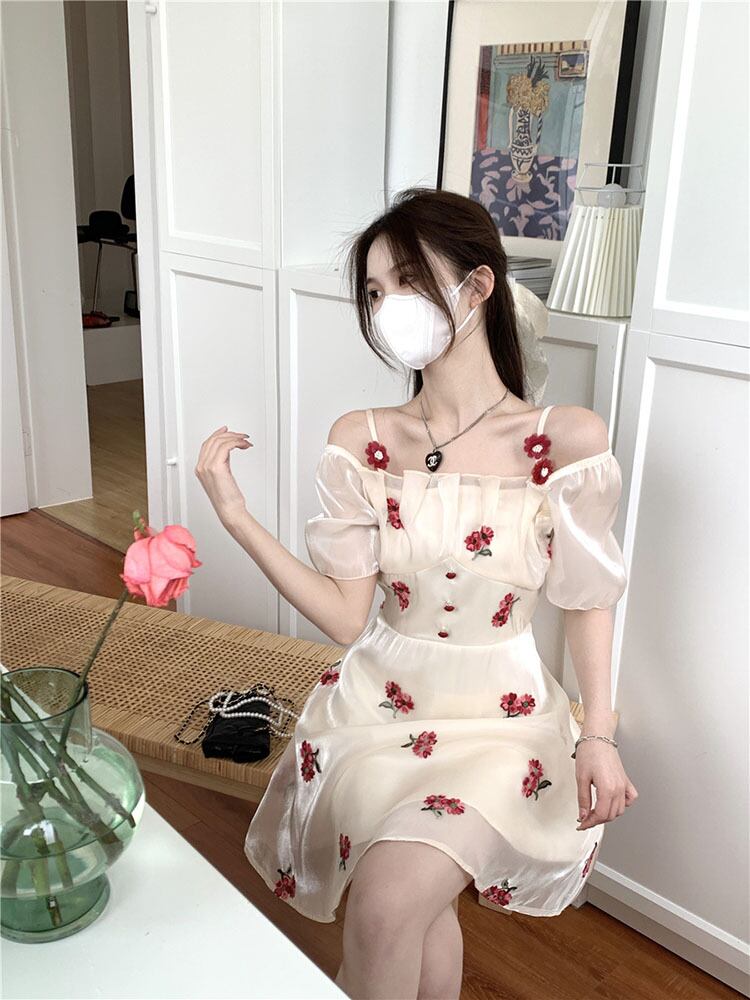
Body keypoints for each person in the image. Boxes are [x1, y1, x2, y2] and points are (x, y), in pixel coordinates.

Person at [195, 187, 638, 1000]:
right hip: (378, 710)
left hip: (500, 720)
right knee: (409, 914)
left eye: (406, 280)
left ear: (478, 286)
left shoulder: (563, 443)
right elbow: (344, 615)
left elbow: (588, 598)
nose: (387, 305)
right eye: (373, 291)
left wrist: (598, 735)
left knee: (388, 907)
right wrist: (237, 519)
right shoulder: (364, 440)